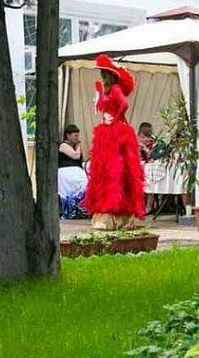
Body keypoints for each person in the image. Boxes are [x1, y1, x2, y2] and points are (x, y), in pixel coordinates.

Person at [81, 55, 146, 229]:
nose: (101, 76)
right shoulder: (107, 90)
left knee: (118, 170)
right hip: (106, 132)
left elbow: (124, 105)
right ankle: (106, 211)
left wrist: (115, 119)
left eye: (103, 73)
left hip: (116, 132)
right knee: (105, 170)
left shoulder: (116, 89)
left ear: (109, 75)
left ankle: (118, 213)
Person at [58, 124, 88, 219]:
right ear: (68, 135)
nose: (77, 138)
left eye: (78, 135)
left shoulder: (75, 147)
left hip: (76, 171)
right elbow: (75, 156)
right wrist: (78, 146)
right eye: (75, 135)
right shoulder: (63, 145)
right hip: (66, 171)